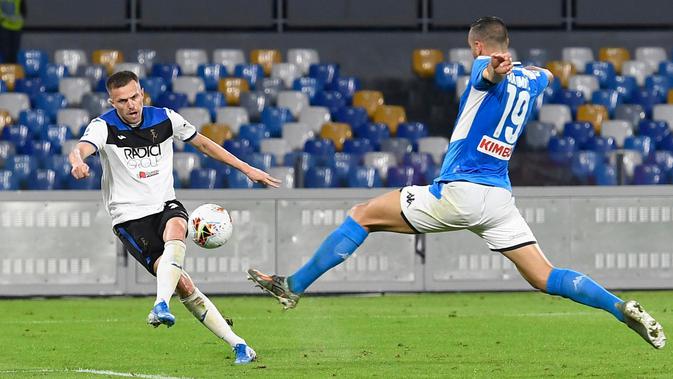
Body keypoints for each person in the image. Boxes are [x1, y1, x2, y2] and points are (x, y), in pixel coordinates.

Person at [248, 16, 666, 350]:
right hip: (499, 198)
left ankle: (293, 286)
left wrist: (492, 70)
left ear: (480, 46)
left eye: (473, 49)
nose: (474, 55)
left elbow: (488, 78)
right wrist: (520, 70)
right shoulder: (531, 79)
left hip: (460, 189)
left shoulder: (485, 67)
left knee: (362, 215)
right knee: (545, 276)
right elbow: (546, 76)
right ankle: (618, 307)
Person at [69, 71, 281, 364]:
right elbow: (81, 148)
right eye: (122, 101)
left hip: (165, 204)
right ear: (112, 102)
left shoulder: (165, 118)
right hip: (129, 217)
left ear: (142, 93)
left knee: (178, 227)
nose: (131, 105)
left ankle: (160, 305)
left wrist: (247, 169)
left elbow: (205, 145)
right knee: (185, 286)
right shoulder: (103, 126)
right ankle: (239, 343)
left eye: (134, 97)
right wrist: (78, 161)